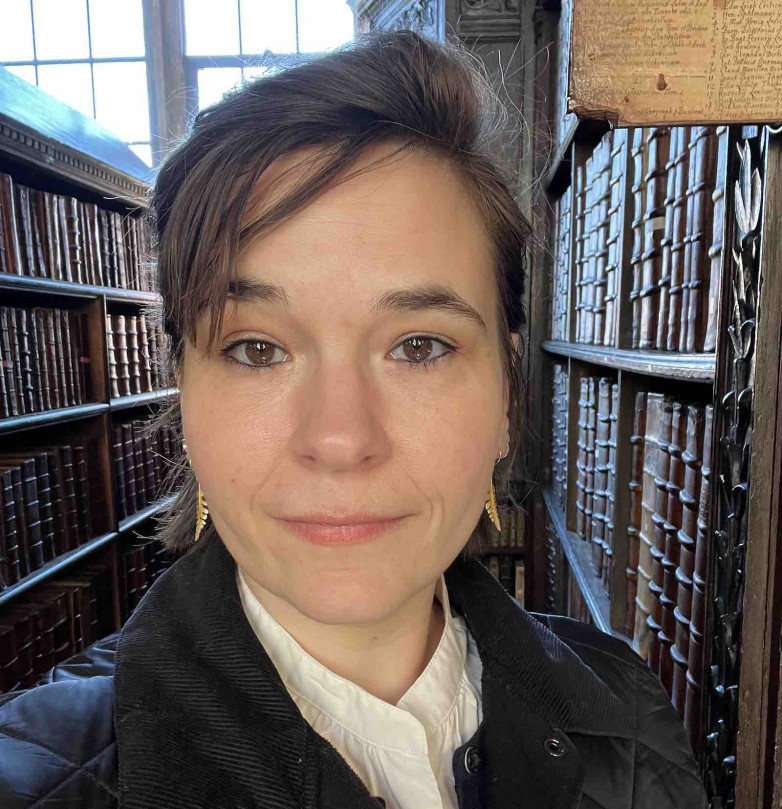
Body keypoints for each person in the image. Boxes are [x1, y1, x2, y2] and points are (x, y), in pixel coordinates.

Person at [0, 29, 708, 809]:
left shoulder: (629, 711)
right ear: (184, 394)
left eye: (419, 346)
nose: (340, 439)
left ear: (506, 394)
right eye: (257, 349)